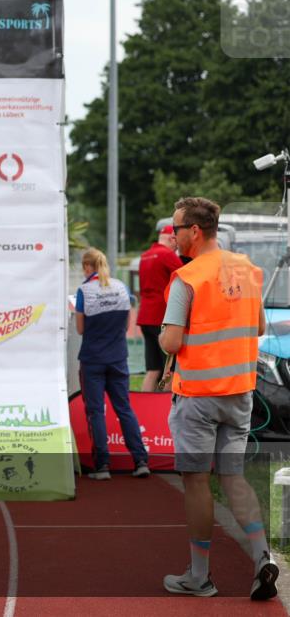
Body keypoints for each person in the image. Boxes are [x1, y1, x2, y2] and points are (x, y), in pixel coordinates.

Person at [159, 197, 277, 600]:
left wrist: (162, 337)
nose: (172, 236)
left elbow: (172, 340)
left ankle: (199, 576)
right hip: (240, 393)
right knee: (233, 477)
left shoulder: (187, 277)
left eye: (176, 228)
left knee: (195, 481)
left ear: (194, 231)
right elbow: (259, 325)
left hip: (197, 396)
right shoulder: (247, 269)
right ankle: (263, 556)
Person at [75, 247, 150, 480]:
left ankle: (103, 466)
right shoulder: (121, 288)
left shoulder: (83, 291)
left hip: (92, 359)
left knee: (96, 412)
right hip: (118, 357)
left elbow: (80, 329)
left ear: (88, 267)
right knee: (124, 408)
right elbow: (127, 326)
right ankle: (140, 461)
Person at [137, 225, 183, 391]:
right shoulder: (166, 255)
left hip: (144, 317)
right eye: (176, 242)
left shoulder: (145, 256)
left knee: (153, 369)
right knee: (169, 369)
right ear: (172, 239)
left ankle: (144, 407)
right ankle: (165, 409)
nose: (177, 247)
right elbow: (187, 276)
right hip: (161, 317)